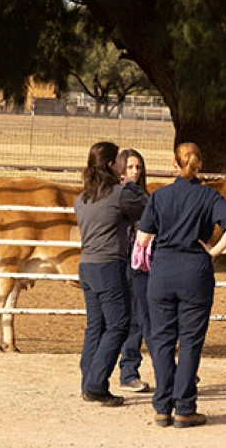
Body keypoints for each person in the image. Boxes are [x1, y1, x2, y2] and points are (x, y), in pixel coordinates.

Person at [136, 143, 226, 428]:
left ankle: (161, 406)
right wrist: (214, 251)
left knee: (162, 340)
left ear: (174, 163)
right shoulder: (210, 196)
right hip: (196, 270)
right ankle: (184, 407)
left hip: (162, 272)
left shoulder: (159, 197)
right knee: (191, 341)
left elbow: (143, 238)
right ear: (200, 164)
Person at [73, 141, 148, 407]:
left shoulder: (82, 198)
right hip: (109, 265)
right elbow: (148, 209)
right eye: (119, 160)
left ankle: (89, 381)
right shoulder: (120, 193)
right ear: (110, 165)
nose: (122, 164)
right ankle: (96, 385)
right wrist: (130, 186)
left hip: (87, 265)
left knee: (96, 326)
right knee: (118, 325)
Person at [117, 149, 152, 393]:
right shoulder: (125, 195)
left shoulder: (141, 194)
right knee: (136, 318)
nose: (135, 172)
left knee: (147, 317)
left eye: (138, 167)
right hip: (129, 262)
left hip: (144, 262)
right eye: (130, 167)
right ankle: (128, 371)